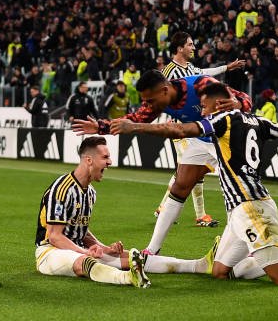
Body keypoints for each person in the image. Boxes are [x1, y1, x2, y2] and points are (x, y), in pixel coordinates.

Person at [108, 82, 278, 288]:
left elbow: (179, 130)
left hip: (251, 208)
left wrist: (135, 127)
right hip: (240, 210)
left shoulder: (220, 120)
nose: (201, 111)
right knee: (220, 270)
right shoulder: (256, 120)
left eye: (204, 106)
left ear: (217, 104)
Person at [71, 71, 252, 256]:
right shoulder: (158, 99)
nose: (148, 105)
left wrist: (238, 103)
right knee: (179, 187)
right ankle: (152, 250)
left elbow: (245, 99)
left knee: (238, 191)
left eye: (150, 101)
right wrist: (101, 127)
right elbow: (137, 119)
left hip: (227, 139)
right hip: (201, 139)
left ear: (165, 90)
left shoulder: (201, 85)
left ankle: (252, 243)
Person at [34, 136, 219, 287]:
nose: (110, 162)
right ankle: (128, 278)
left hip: (77, 249)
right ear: (89, 160)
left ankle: (199, 265)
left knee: (135, 257)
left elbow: (80, 229)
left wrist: (104, 248)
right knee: (86, 262)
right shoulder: (62, 189)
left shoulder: (90, 192)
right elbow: (55, 236)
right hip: (50, 252)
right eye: (105, 157)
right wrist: (85, 251)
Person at [156, 31, 245, 226]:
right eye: (189, 44)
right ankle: (200, 215)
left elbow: (205, 73)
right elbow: (159, 97)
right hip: (180, 127)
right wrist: (165, 120)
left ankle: (163, 209)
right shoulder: (168, 72)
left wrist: (227, 67)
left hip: (196, 126)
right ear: (179, 48)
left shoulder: (190, 67)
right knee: (191, 170)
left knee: (186, 170)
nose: (193, 47)